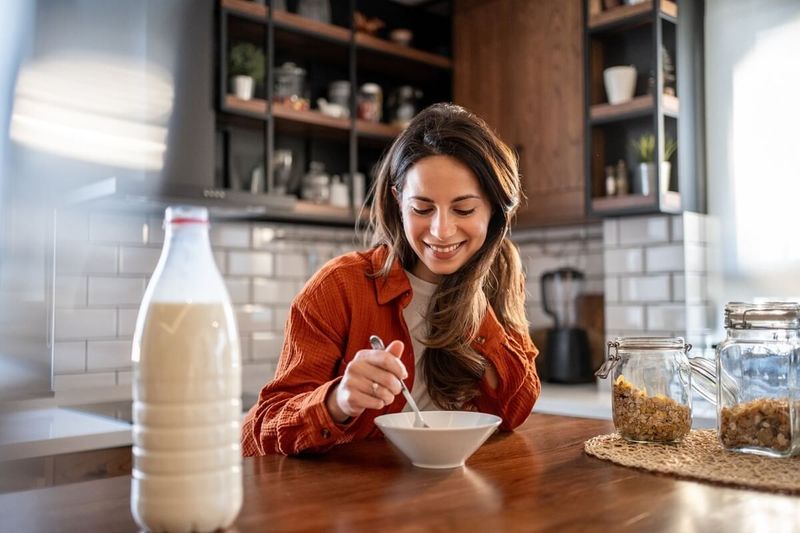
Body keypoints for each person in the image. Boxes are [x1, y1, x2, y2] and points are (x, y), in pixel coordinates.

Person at [241, 103, 540, 456]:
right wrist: (339, 400)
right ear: (398, 202)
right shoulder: (339, 287)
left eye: (464, 209)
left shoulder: (501, 274)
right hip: (355, 500)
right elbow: (258, 432)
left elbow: (515, 409)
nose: (441, 231)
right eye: (422, 208)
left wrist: (472, 299)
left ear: (493, 208)